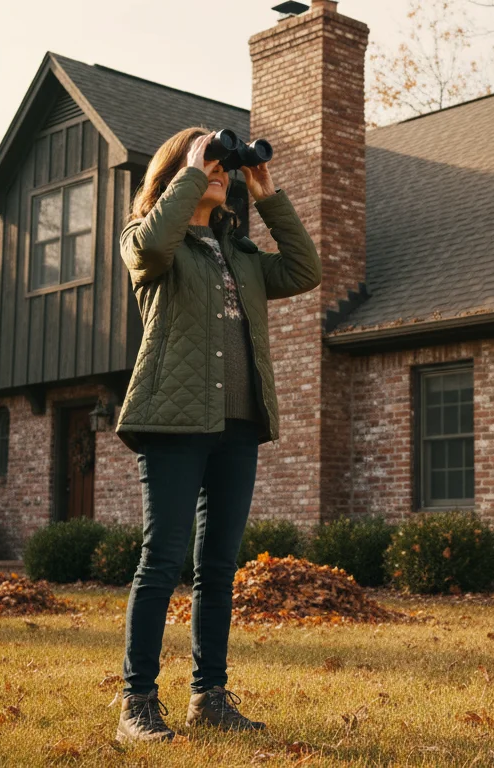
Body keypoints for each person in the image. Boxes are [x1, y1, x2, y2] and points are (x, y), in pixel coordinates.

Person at [112, 126, 320, 743]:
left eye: (223, 167)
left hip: (238, 424)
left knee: (218, 566)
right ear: (179, 172)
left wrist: (268, 190)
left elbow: (306, 269)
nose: (222, 173)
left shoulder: (243, 254)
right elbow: (149, 247)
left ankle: (210, 696)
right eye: (213, 164)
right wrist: (192, 171)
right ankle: (138, 704)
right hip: (171, 421)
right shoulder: (153, 241)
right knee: (162, 560)